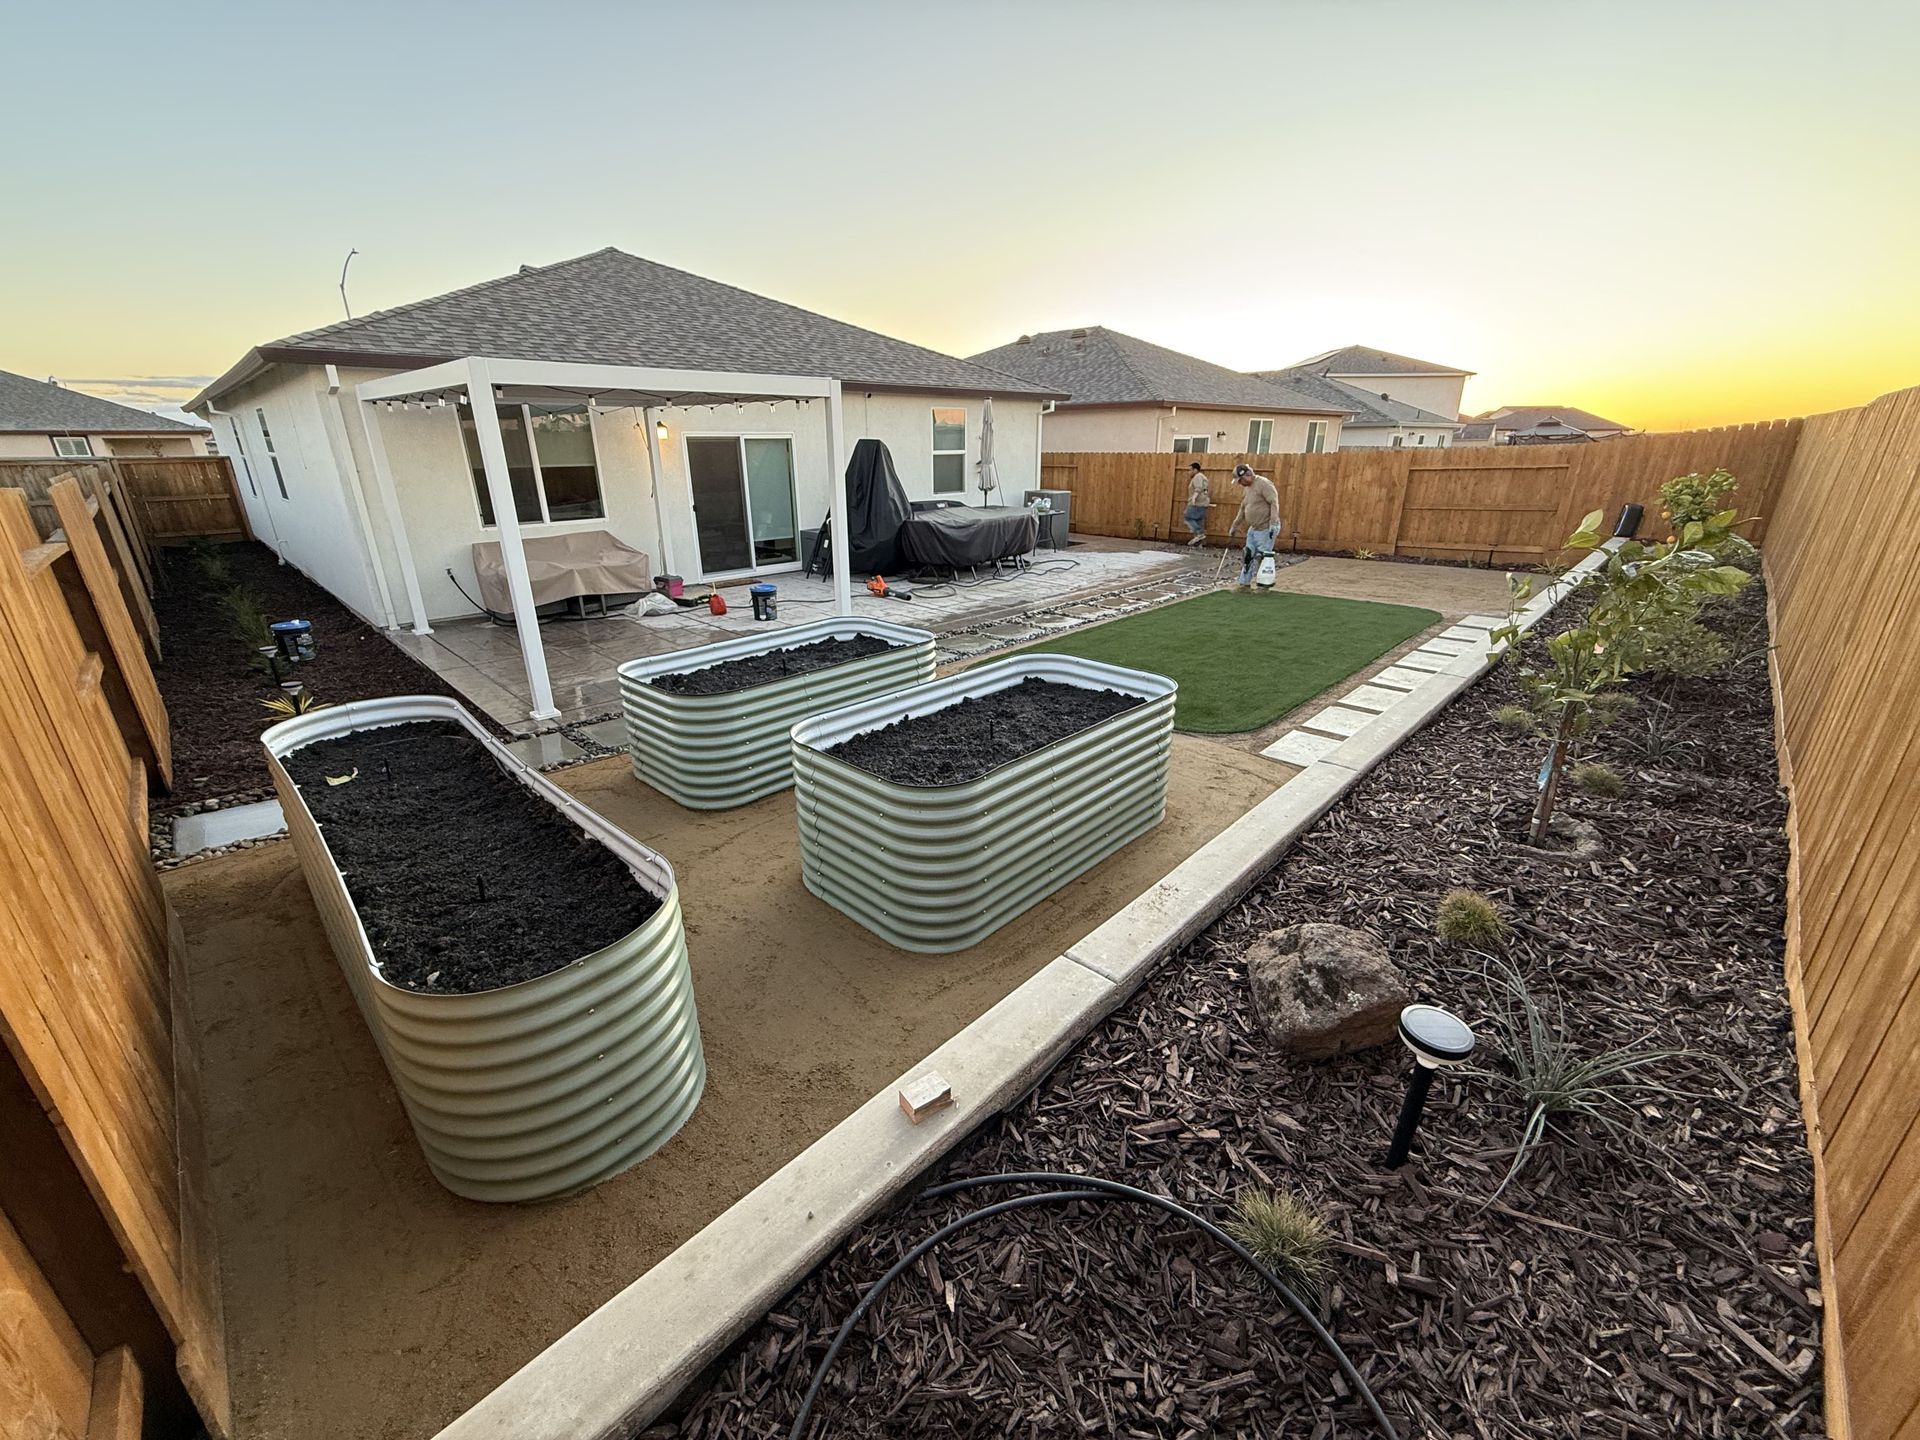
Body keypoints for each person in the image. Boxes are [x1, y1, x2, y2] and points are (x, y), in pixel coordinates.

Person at [1225, 462, 1282, 589]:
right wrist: (1235, 525)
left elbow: (1274, 503)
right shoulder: (1247, 488)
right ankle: (1244, 582)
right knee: (1248, 555)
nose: (1240, 484)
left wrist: (1273, 523)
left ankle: (1264, 584)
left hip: (1266, 528)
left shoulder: (1264, 484)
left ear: (1247, 475)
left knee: (1262, 557)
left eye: (1240, 480)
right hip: (1253, 529)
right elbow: (1243, 508)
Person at [1181, 461, 1211, 545]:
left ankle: (1199, 534)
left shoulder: (1198, 476)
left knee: (1188, 517)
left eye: (1190, 470)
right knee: (1198, 521)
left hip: (1197, 503)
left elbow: (1198, 488)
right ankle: (1199, 543)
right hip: (1203, 503)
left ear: (1195, 470)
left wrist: (1194, 498)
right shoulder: (1203, 477)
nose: (1189, 472)